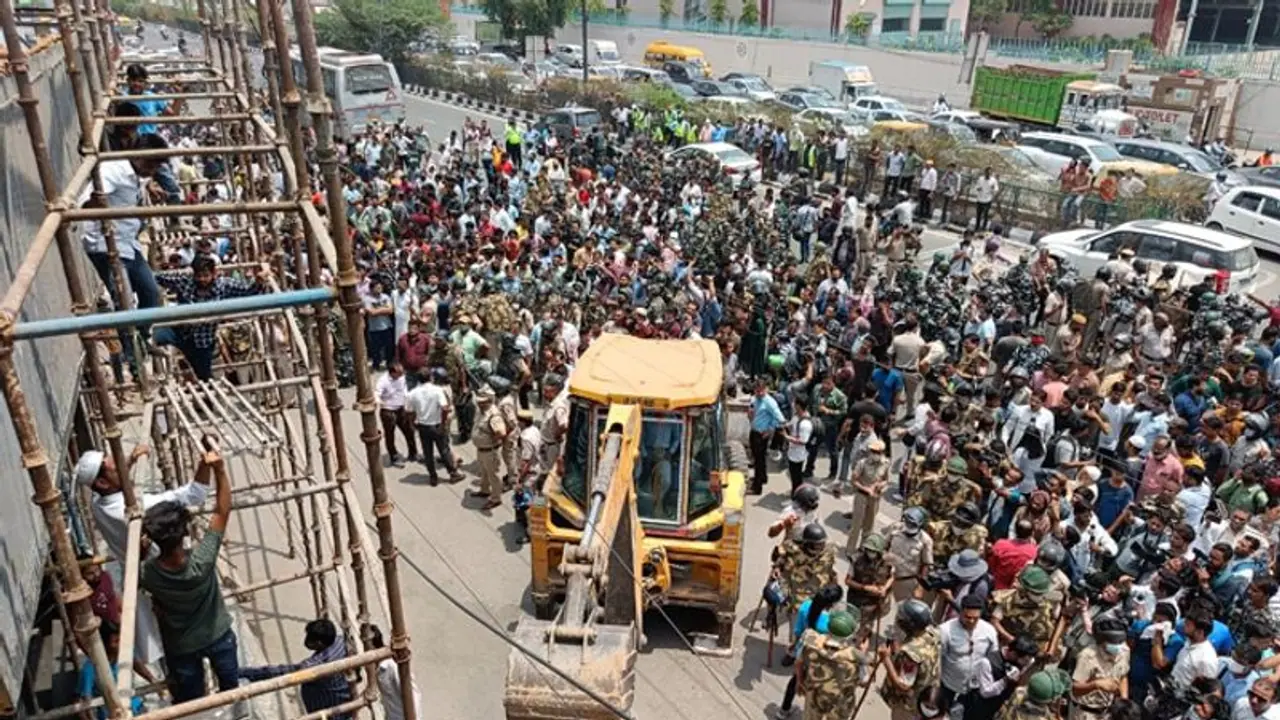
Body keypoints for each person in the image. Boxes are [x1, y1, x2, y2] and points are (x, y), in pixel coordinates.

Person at [76, 444, 212, 668]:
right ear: (101, 482)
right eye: (115, 466)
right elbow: (195, 494)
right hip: (161, 573)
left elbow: (112, 484)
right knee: (184, 628)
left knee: (167, 633)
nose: (121, 466)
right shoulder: (137, 510)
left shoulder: (98, 503)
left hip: (138, 572)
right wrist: (206, 463)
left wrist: (129, 460)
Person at [139, 438, 237, 703]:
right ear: (183, 533)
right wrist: (220, 470)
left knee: (192, 701)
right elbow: (222, 510)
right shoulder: (201, 562)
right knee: (232, 692)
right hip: (217, 634)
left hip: (180, 645)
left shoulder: (148, 574)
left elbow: (137, 568)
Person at [153, 255, 270, 380]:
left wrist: (259, 280)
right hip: (178, 330)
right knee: (150, 337)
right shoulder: (185, 281)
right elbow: (156, 278)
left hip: (202, 342)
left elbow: (247, 291)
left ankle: (207, 393)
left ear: (214, 273)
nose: (202, 279)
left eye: (206, 275)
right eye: (198, 276)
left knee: (204, 377)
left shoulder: (223, 285)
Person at [239, 619, 352, 718]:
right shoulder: (340, 642)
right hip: (344, 695)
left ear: (319, 643)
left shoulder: (314, 665)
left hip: (326, 703)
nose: (306, 640)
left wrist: (246, 673)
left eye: (309, 639)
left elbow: (281, 672)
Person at [938, 594, 1000, 719]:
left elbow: (993, 658)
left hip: (975, 689)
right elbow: (939, 658)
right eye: (967, 617)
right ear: (960, 612)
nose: (971, 621)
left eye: (975, 618)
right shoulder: (945, 631)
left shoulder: (989, 631)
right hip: (950, 686)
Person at [878, 599, 942, 720]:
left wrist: (886, 659)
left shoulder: (910, 654)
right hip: (927, 693)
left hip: (908, 705)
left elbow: (903, 685)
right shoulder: (933, 633)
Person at [78, 620, 146, 720]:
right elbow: (84, 701)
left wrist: (154, 681)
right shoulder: (90, 668)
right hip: (113, 714)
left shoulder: (123, 654)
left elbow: (136, 664)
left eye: (120, 641)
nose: (119, 646)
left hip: (135, 706)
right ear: (104, 645)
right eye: (116, 642)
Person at [363, 624, 423, 720]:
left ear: (373, 647)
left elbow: (412, 696)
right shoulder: (379, 667)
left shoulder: (391, 667)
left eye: (366, 644)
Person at [469, 385, 507, 510]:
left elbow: (501, 433)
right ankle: (484, 490)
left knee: (493, 475)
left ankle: (496, 498)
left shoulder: (494, 415)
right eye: (478, 402)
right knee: (484, 472)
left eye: (482, 402)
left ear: (490, 401)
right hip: (481, 449)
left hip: (490, 451)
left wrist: (492, 441)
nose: (479, 404)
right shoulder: (481, 411)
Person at [377, 361, 417, 466]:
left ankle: (413, 453)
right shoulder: (383, 381)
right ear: (392, 373)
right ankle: (394, 457)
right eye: (399, 373)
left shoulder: (402, 378)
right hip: (388, 411)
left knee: (409, 431)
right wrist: (380, 402)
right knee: (390, 435)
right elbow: (377, 394)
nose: (401, 375)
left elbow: (404, 389)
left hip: (401, 408)